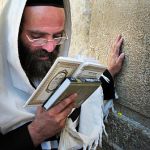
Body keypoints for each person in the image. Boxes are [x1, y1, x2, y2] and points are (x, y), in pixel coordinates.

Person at [0, 0, 125, 150]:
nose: (50, 47)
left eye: (58, 35)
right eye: (37, 36)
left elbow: (82, 95)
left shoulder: (43, 67)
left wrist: (109, 72)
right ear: (12, 35)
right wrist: (35, 133)